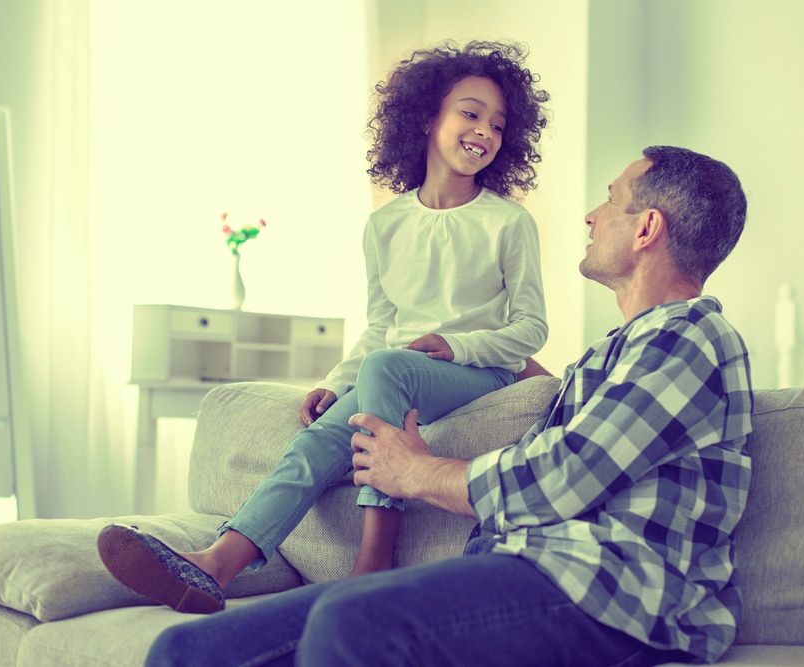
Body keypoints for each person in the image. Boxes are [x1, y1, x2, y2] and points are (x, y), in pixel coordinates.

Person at [142, 145, 753, 667]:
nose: (591, 216)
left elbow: (564, 478)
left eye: (611, 199)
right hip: (528, 572)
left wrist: (416, 472)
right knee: (186, 653)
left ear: (646, 229)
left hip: (617, 597)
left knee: (353, 623)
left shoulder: (688, 335)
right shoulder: (609, 357)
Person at [98, 40, 551, 613]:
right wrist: (338, 383)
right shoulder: (384, 224)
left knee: (389, 367)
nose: (484, 130)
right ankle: (215, 566)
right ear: (427, 116)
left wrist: (454, 345)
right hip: (394, 376)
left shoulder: (509, 222)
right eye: (470, 112)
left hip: (476, 374)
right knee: (311, 446)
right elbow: (381, 326)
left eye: (497, 123)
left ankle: (373, 561)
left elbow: (530, 329)